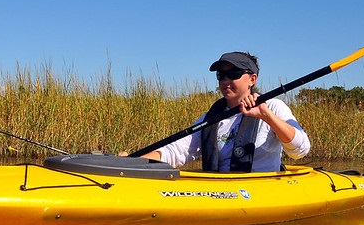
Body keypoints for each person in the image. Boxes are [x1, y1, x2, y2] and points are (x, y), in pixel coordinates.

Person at [133, 51, 310, 172]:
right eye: (221, 75)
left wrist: (267, 117)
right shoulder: (210, 118)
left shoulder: (272, 107)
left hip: (260, 188)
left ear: (252, 79)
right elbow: (175, 152)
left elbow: (300, 150)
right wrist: (133, 163)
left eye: (233, 74)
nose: (225, 80)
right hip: (222, 191)